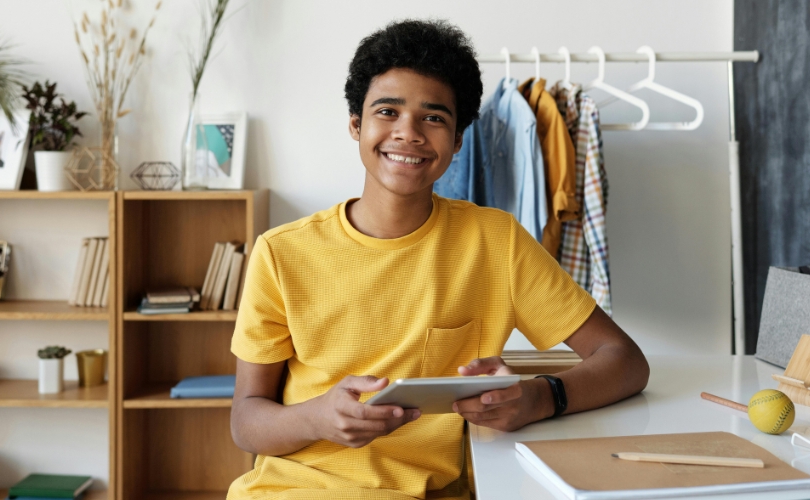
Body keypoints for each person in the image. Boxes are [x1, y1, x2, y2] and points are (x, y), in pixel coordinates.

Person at [228, 19, 649, 500]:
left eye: (433, 117)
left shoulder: (497, 242)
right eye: (387, 111)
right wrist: (315, 417)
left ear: (458, 140)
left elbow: (625, 361)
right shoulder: (281, 252)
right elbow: (246, 421)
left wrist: (538, 397)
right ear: (356, 125)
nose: (408, 133)